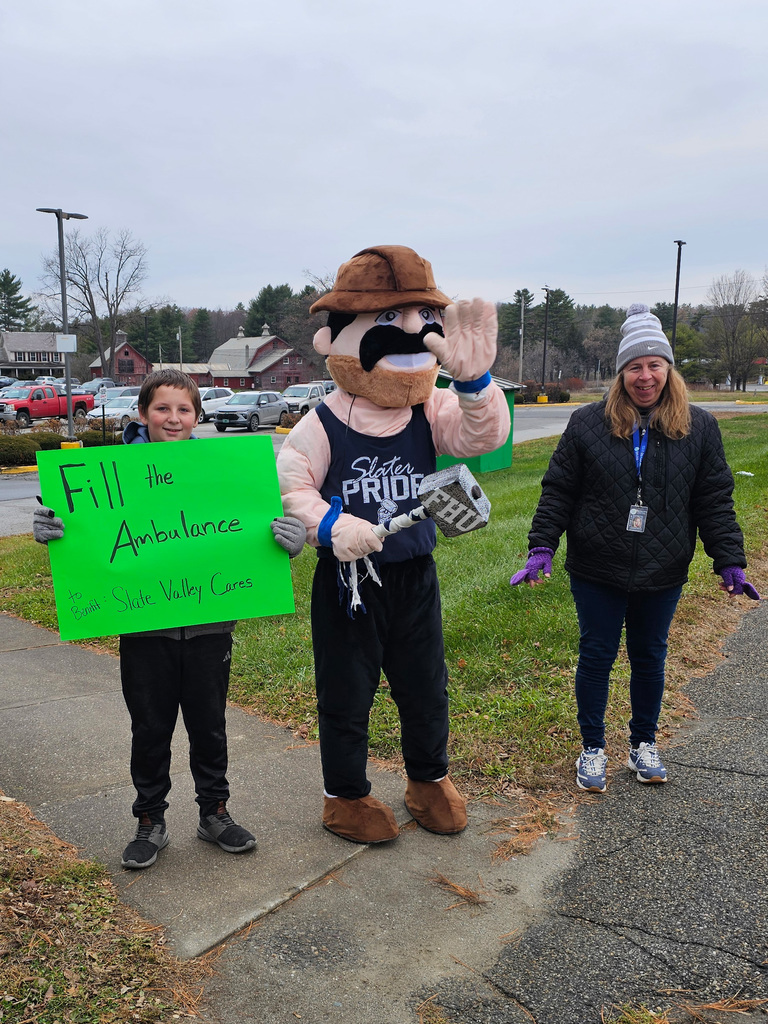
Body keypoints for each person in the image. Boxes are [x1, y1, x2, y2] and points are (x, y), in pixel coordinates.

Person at [277, 244, 510, 844]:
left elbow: (476, 438)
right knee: (347, 693)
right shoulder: (321, 421)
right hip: (349, 584)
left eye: (418, 320)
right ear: (336, 338)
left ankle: (428, 780)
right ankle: (345, 797)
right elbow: (290, 487)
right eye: (387, 321)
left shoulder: (428, 407)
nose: (411, 333)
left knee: (425, 685)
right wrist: (333, 527)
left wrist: (476, 383)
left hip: (413, 574)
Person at [33, 368, 306, 868]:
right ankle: (149, 820)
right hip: (144, 629)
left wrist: (289, 540)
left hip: (210, 626)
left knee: (210, 724)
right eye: (162, 408)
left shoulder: (227, 473)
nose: (173, 418)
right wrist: (53, 529)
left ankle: (214, 813)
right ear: (142, 414)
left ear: (197, 416)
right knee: (150, 728)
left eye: (184, 409)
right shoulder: (109, 479)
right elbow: (82, 535)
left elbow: (254, 535)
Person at [509, 303, 759, 794]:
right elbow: (558, 490)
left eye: (654, 365)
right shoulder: (586, 423)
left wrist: (728, 559)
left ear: (669, 369)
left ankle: (644, 742)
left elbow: (714, 498)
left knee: (650, 656)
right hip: (597, 565)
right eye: (634, 367)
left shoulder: (700, 426)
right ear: (621, 373)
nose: (645, 377)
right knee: (597, 654)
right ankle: (593, 748)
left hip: (663, 568)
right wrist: (542, 547)